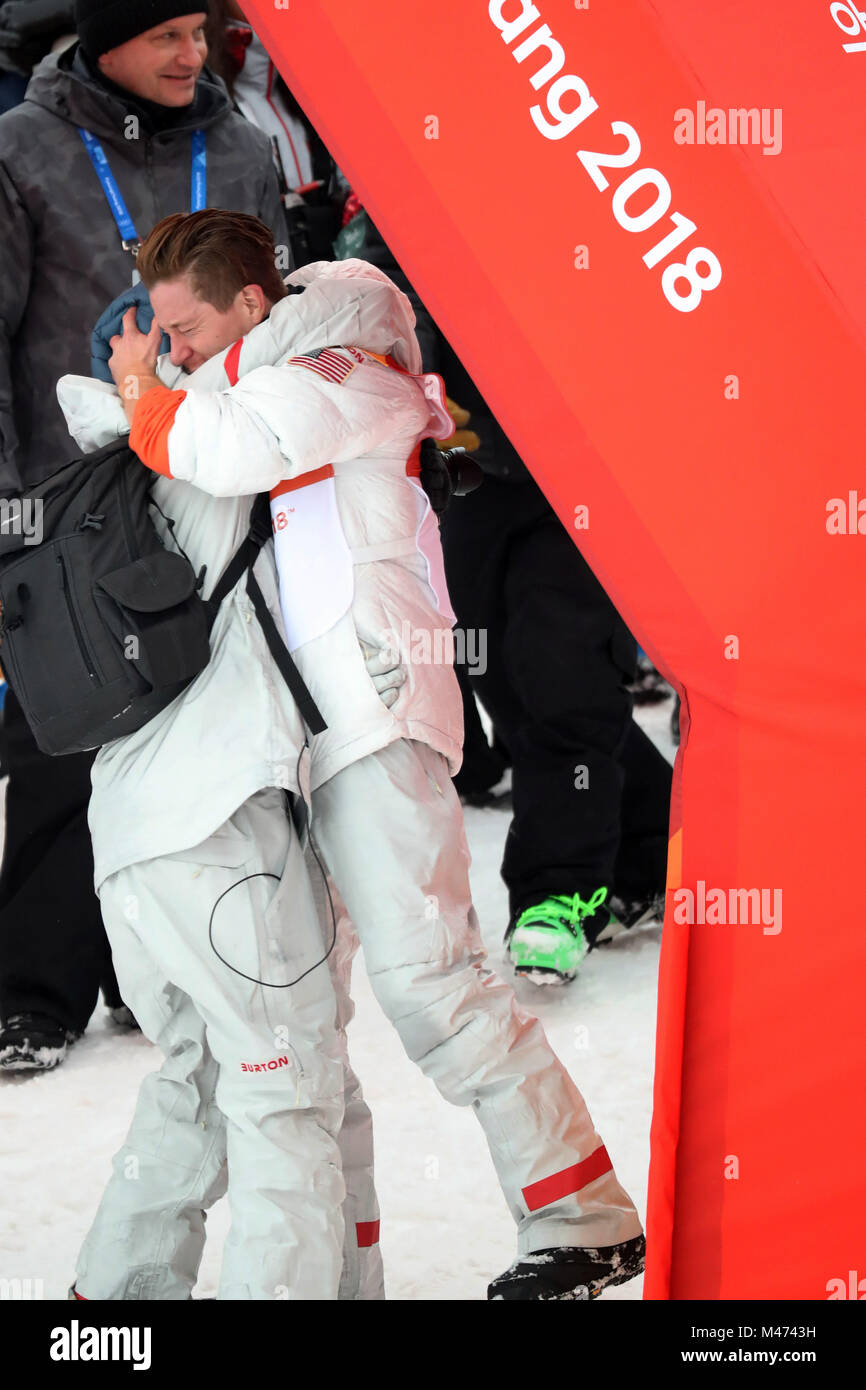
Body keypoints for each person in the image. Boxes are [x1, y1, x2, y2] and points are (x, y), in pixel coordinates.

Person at [73, 207, 647, 1301]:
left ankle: (582, 1216)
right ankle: (346, 1275)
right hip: (304, 745)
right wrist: (154, 396)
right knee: (315, 1037)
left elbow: (226, 446)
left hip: (375, 718)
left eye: (187, 329)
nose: (176, 350)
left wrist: (146, 389)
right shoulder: (259, 373)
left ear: (254, 302)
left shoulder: (345, 358)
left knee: (433, 983)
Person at [0, 0, 289, 1070]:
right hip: (64, 495)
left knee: (200, 727)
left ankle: (157, 969)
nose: (190, 55)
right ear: (103, 40)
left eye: (199, 32)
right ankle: (34, 987)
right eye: (163, 35)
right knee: (60, 733)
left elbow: (278, 313)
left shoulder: (244, 148)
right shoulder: (22, 150)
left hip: (208, 486)